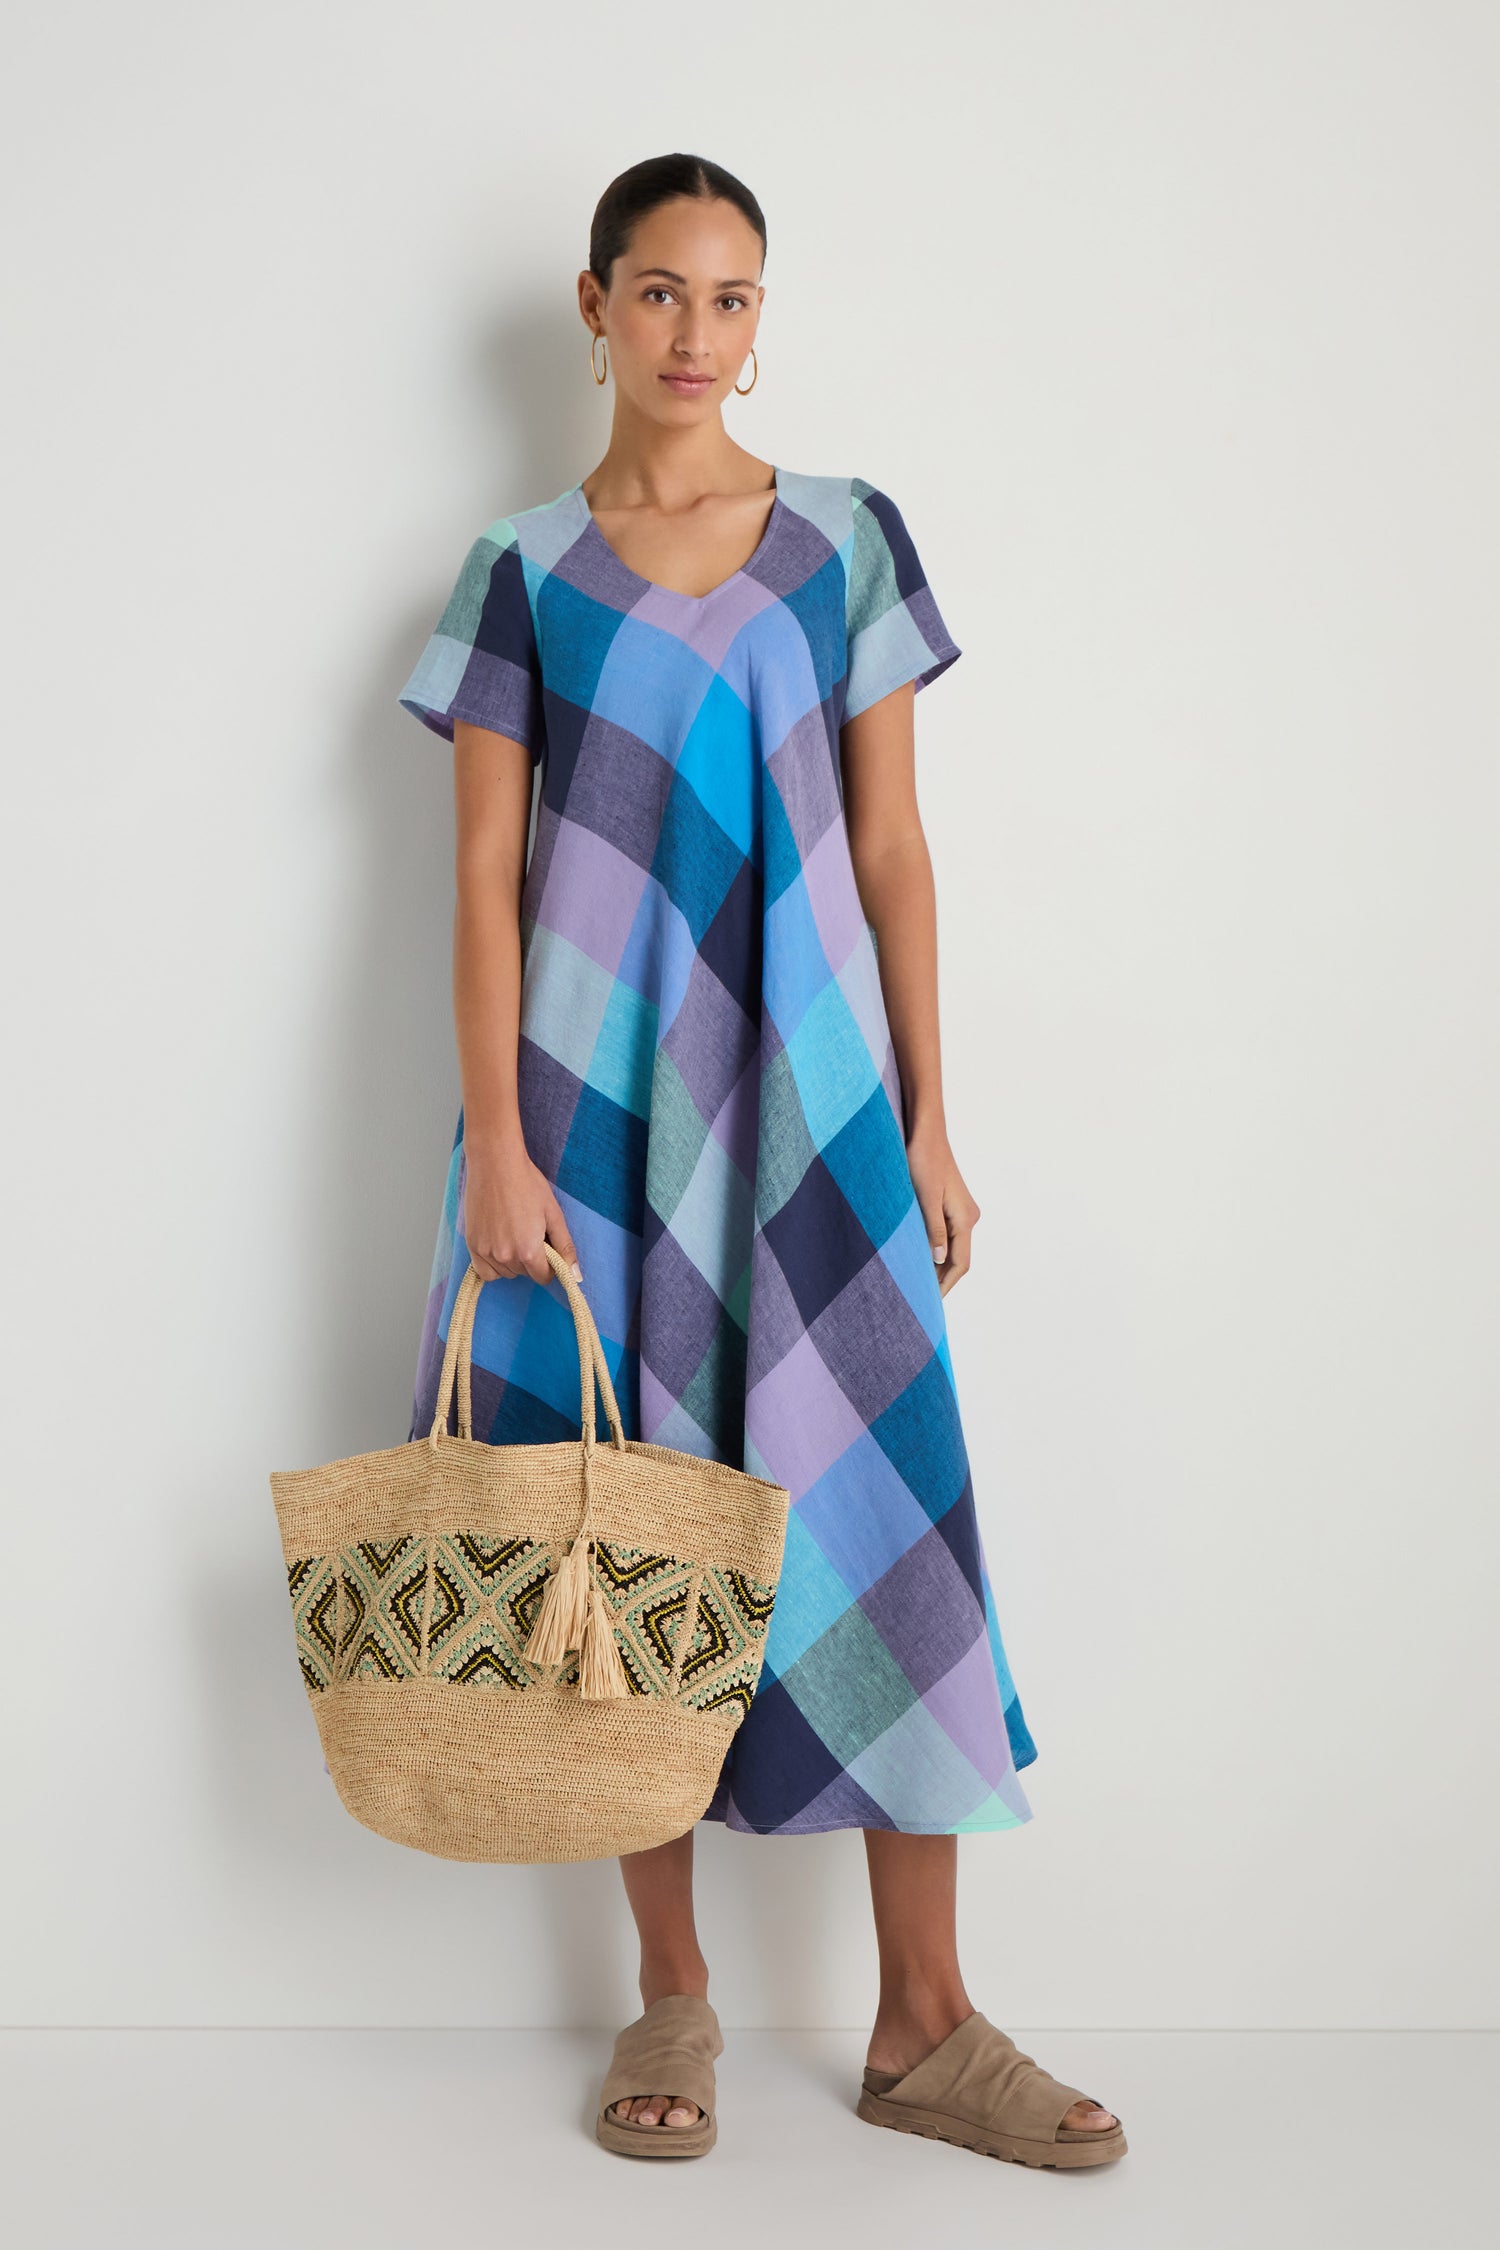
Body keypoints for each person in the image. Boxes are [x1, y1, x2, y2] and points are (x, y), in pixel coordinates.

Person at [395, 152, 1125, 2170]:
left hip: (812, 1109)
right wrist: (499, 1144)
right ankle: (675, 1993)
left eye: (730, 299)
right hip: (592, 1118)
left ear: (759, 319)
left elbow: (891, 845)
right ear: (594, 305)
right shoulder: (522, 569)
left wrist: (931, 1113)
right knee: (615, 1537)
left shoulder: (842, 544)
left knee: (884, 1513)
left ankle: (925, 2021)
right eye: (659, 292)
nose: (695, 334)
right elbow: (481, 879)